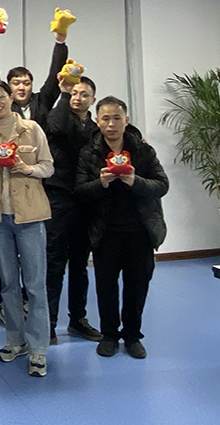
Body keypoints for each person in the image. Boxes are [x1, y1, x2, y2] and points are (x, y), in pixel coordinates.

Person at [75, 96, 168, 360]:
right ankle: (109, 335)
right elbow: (79, 191)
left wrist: (135, 181)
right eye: (105, 118)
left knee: (137, 286)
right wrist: (100, 183)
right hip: (105, 232)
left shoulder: (143, 151)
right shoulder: (89, 152)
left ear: (126, 120)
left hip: (140, 230)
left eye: (117, 118)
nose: (111, 124)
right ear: (97, 121)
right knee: (106, 287)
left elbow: (162, 185)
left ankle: (132, 335)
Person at [0, 80, 54, 377]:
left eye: (0, 96)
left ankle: (39, 348)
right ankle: (15, 340)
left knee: (35, 285)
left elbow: (49, 166)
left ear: (11, 98)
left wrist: (27, 169)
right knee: (8, 284)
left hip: (31, 216)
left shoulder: (32, 129)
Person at [44, 74, 101, 344]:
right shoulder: (59, 116)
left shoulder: (96, 129)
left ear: (93, 100)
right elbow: (56, 127)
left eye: (83, 94)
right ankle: (49, 324)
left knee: (80, 264)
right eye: (75, 93)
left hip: (85, 200)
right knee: (54, 262)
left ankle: (78, 319)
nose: (78, 98)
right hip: (59, 197)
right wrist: (64, 93)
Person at [0, 25, 69, 126]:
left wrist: (60, 43)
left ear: (32, 86)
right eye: (16, 83)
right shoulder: (4, 104)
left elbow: (55, 76)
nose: (21, 88)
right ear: (9, 87)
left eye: (26, 83)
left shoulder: (41, 102)